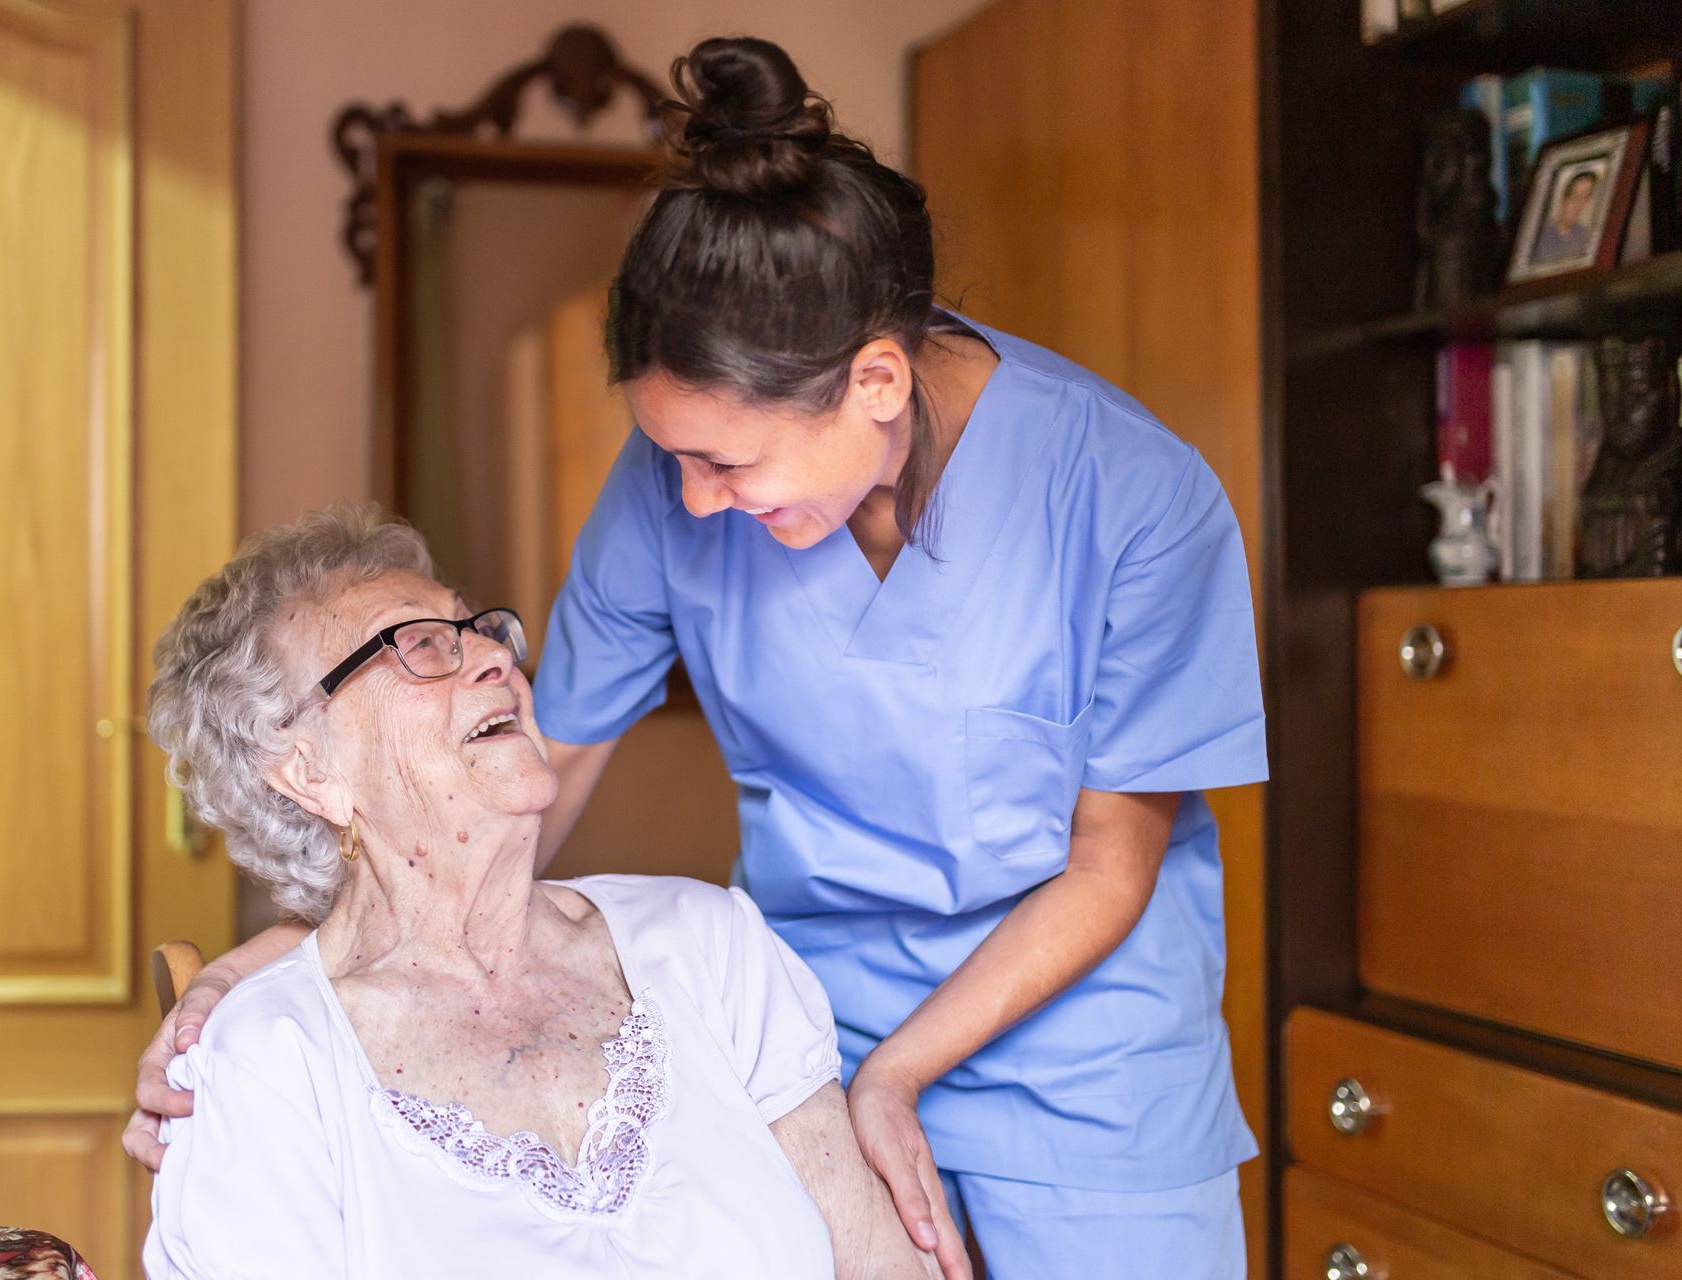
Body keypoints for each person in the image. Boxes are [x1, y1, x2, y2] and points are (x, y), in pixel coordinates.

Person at [130, 36, 1266, 1279]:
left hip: (1087, 1075)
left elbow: (1112, 865)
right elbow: (521, 778)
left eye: (727, 462)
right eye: (668, 453)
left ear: (876, 381)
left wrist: (898, 1072)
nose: (691, 497)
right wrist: (257, 978)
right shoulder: (670, 493)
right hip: (804, 1034)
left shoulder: (1137, 497)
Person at [136, 505, 937, 1279]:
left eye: (479, 630)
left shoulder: (707, 942)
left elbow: (876, 1261)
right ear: (309, 772)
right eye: (418, 646)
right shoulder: (269, 1062)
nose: (495, 659)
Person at [1531, 167, 1600, 263]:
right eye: (1575, 197)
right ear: (1563, 199)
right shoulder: (1539, 236)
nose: (1579, 206)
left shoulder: (1585, 237)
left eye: (1585, 199)